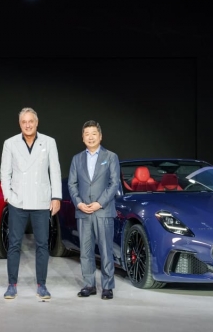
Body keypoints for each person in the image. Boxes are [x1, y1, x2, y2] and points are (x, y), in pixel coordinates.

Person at [0, 107, 62, 300]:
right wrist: (8, 196)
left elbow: (55, 171)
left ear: (37, 122)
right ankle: (12, 285)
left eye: (31, 121)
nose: (27, 125)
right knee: (14, 244)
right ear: (20, 124)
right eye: (24, 122)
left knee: (43, 244)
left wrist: (56, 197)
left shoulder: (49, 142)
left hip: (42, 201)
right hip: (18, 200)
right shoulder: (10, 143)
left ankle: (42, 285)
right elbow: (5, 172)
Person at [67, 120, 120, 300]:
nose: (90, 137)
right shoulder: (76, 159)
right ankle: (89, 285)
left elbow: (114, 184)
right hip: (83, 211)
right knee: (86, 250)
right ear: (83, 138)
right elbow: (72, 184)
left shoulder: (111, 157)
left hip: (103, 210)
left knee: (105, 250)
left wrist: (100, 203)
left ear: (100, 136)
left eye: (94, 134)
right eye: (87, 134)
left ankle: (107, 286)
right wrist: (79, 203)